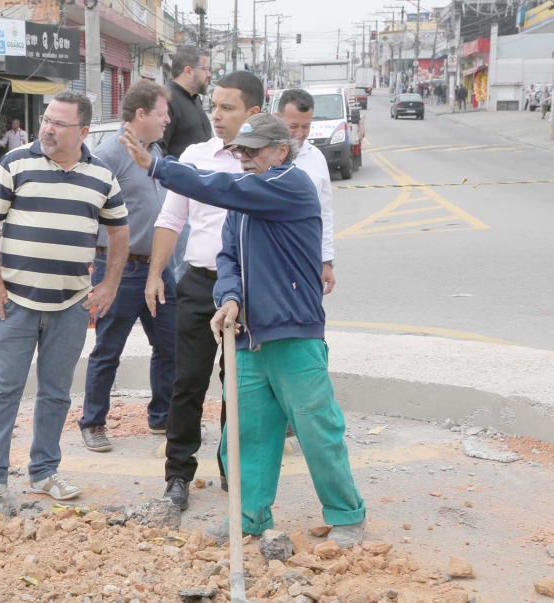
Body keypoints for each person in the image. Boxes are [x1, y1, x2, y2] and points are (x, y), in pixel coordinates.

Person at [119, 112, 367, 548]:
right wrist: (228, 298)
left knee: (317, 429)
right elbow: (227, 259)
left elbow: (224, 187)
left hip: (293, 334)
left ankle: (346, 514)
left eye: (253, 151)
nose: (245, 158)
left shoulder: (290, 184)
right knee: (248, 434)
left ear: (280, 151)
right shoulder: (244, 204)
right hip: (247, 337)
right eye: (241, 150)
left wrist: (160, 167)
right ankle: (250, 517)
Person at [0, 90, 130, 509]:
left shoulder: (102, 177)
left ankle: (43, 472)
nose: (48, 129)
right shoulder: (15, 163)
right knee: (4, 391)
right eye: (46, 120)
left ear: (84, 131)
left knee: (56, 393)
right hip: (14, 303)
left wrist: (109, 285)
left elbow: (119, 233)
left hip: (71, 306)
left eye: (59, 123)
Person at [145, 71, 263, 511]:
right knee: (188, 382)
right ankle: (178, 475)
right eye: (213, 105)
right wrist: (157, 273)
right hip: (198, 285)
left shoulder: (263, 162)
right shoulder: (195, 155)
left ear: (253, 112)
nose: (216, 114)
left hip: (250, 292)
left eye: (227, 107)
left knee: (241, 385)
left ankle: (234, 469)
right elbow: (171, 220)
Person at [79, 80, 176, 453]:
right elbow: (89, 209)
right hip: (121, 271)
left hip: (159, 270)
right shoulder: (111, 153)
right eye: (161, 114)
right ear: (140, 115)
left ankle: (161, 415)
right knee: (108, 349)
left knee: (170, 345)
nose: (167, 120)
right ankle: (93, 422)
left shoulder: (155, 151)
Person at [161, 46, 214, 282]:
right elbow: (158, 149)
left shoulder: (194, 101)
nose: (210, 74)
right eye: (207, 68)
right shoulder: (168, 100)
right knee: (182, 270)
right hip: (179, 203)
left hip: (200, 199)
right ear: (189, 71)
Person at [275, 89, 336, 294]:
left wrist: (326, 260)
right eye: (293, 126)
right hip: (269, 265)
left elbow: (324, 214)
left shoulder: (317, 158)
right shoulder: (261, 157)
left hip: (307, 264)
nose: (300, 133)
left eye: (306, 126)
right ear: (278, 119)